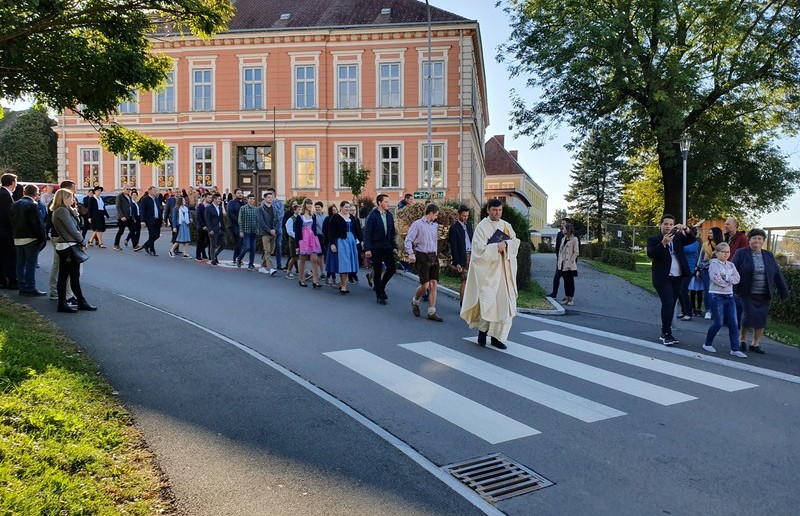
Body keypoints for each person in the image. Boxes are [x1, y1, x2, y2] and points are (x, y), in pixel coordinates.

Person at [460, 198, 520, 349]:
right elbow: (478, 250)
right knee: (489, 304)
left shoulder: (506, 226)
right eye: (494, 210)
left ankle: (497, 338)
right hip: (489, 274)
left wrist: (506, 244)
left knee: (505, 306)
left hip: (504, 273)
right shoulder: (482, 227)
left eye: (499, 210)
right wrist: (495, 247)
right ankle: (482, 333)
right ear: (488, 210)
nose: (497, 213)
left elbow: (515, 242)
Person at [732, 228, 790, 354]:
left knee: (761, 318)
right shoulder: (741, 253)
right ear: (749, 240)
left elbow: (777, 273)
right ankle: (742, 340)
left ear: (763, 241)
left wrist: (783, 291)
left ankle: (755, 344)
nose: (757, 241)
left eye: (760, 238)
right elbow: (732, 270)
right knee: (748, 316)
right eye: (754, 238)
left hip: (764, 293)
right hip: (747, 291)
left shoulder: (768, 255)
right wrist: (731, 287)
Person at [646, 214, 695, 346]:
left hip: (678, 275)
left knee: (672, 304)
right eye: (666, 224)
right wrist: (663, 243)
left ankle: (666, 331)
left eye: (671, 224)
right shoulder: (654, 239)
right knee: (668, 303)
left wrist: (685, 228)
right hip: (663, 277)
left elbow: (692, 239)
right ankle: (666, 333)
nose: (668, 227)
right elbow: (651, 254)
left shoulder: (677, 237)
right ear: (661, 225)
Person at [49, 188, 97, 313]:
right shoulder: (61, 210)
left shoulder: (64, 210)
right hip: (67, 246)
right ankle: (66, 303)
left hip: (67, 245)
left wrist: (75, 213)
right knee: (67, 276)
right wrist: (83, 241)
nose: (73, 199)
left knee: (70, 276)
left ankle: (78, 301)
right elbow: (72, 229)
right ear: (64, 198)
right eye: (70, 197)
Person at [702, 243, 746, 357]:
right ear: (717, 253)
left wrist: (726, 277)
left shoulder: (731, 265)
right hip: (716, 295)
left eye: (728, 252)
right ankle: (707, 343)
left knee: (734, 322)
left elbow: (737, 278)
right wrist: (728, 282)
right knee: (718, 322)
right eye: (723, 252)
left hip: (729, 296)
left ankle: (735, 348)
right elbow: (715, 278)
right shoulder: (713, 264)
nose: (726, 254)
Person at [405, 204, 444, 321]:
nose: (436, 217)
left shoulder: (435, 226)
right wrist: (411, 253)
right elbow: (408, 239)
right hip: (422, 255)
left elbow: (435, 242)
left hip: (433, 256)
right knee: (425, 285)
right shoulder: (417, 224)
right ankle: (415, 301)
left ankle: (432, 312)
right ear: (431, 213)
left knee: (434, 284)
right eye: (436, 215)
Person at [10, 184, 46, 295]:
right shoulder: (33, 205)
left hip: (18, 237)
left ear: (24, 192)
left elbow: (11, 221)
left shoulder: (15, 204)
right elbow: (37, 224)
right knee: (30, 264)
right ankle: (30, 287)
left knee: (20, 263)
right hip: (31, 238)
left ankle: (22, 286)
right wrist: (42, 238)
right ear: (36, 194)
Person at [46, 180, 77, 302]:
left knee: (62, 266)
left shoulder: (64, 204)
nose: (74, 191)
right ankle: (58, 292)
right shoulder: (59, 206)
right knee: (60, 265)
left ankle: (63, 292)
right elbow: (68, 226)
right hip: (61, 237)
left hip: (63, 237)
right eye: (73, 188)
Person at [363, 194, 397, 304]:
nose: (388, 203)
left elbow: (392, 232)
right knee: (377, 271)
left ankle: (381, 287)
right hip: (376, 247)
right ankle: (379, 295)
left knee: (392, 269)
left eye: (388, 201)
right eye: (386, 202)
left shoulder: (389, 215)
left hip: (387, 246)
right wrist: (367, 249)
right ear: (379, 202)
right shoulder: (372, 216)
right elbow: (367, 233)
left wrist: (394, 246)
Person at [328, 200, 359, 294]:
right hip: (341, 241)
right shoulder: (335, 217)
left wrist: (360, 240)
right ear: (341, 207)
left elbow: (357, 230)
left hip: (351, 241)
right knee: (344, 263)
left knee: (349, 263)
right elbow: (331, 232)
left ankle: (343, 284)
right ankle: (344, 286)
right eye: (346, 207)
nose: (348, 209)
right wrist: (332, 243)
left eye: (349, 207)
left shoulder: (352, 218)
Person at [294, 198, 323, 288]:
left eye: (311, 204)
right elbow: (297, 231)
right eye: (308, 204)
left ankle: (315, 281)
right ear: (304, 205)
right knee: (302, 259)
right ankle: (301, 279)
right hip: (303, 239)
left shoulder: (313, 216)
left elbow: (314, 228)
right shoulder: (300, 216)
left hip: (312, 238)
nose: (310, 205)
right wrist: (297, 245)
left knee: (315, 259)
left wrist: (315, 238)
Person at [448, 204, 473, 303]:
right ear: (458, 214)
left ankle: (469, 302)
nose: (465, 218)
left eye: (467, 216)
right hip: (462, 256)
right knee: (464, 279)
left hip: (471, 254)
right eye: (463, 216)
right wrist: (457, 262)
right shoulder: (454, 228)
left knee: (471, 280)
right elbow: (453, 246)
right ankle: (463, 303)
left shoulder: (469, 225)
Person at [698, 226, 724, 319]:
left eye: (711, 232)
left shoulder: (722, 245)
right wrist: (698, 268)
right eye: (709, 232)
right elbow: (701, 257)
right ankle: (708, 310)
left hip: (718, 270)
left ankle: (717, 310)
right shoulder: (705, 244)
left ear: (716, 234)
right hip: (706, 269)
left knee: (718, 290)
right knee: (707, 290)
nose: (709, 234)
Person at [0, 173, 19, 290]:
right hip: (5, 233)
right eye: (15, 182)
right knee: (9, 257)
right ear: (12, 183)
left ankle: (4, 280)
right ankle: (10, 281)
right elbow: (7, 215)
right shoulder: (4, 195)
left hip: (3, 232)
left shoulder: (3, 193)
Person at [677, 226, 700, 320]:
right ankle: (683, 311)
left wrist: (677, 243)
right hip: (681, 268)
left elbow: (685, 250)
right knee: (679, 291)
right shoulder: (684, 242)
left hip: (689, 269)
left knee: (683, 290)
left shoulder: (695, 243)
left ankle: (688, 313)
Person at [257, 191, 280, 275]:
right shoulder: (260, 209)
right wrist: (269, 230)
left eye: (271, 197)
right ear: (265, 198)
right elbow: (261, 222)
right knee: (267, 250)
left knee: (271, 251)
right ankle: (271, 269)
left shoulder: (274, 208)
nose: (270, 199)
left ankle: (262, 267)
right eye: (268, 197)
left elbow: (277, 220)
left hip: (273, 232)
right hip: (265, 233)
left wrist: (274, 229)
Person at [557, 222, 579, 306]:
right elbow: (560, 251)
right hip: (563, 263)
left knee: (570, 282)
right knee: (565, 282)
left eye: (563, 228)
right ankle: (566, 298)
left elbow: (576, 252)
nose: (562, 230)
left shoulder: (574, 239)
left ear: (568, 230)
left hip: (570, 264)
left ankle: (571, 299)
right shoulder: (563, 239)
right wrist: (560, 261)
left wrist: (571, 261)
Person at [548, 217, 570, 298]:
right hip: (560, 260)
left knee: (568, 279)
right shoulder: (559, 234)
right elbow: (557, 247)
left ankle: (568, 296)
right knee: (557, 277)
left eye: (563, 223)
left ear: (568, 224)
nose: (562, 225)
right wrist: (558, 257)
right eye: (561, 223)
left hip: (569, 261)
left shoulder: (573, 234)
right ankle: (554, 293)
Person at [237, 194, 259, 270]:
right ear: (247, 199)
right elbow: (240, 220)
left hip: (254, 231)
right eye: (250, 199)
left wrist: (257, 229)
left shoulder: (256, 209)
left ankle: (251, 264)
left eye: (253, 199)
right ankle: (239, 258)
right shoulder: (243, 208)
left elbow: (257, 220)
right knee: (247, 247)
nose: (252, 200)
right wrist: (241, 231)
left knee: (253, 248)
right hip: (246, 231)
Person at [138, 186, 161, 256]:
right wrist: (142, 221)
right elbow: (142, 210)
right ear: (149, 191)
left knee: (157, 235)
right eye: (154, 190)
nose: (155, 192)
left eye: (156, 190)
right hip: (150, 220)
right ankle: (152, 250)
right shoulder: (145, 199)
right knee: (152, 235)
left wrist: (162, 219)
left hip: (157, 220)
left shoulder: (156, 199)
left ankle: (146, 245)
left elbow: (158, 209)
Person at [283, 202, 301, 279]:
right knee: (293, 257)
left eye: (300, 209)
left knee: (300, 257)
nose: (299, 211)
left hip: (300, 240)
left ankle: (300, 271)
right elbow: (289, 231)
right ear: (294, 210)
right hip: (293, 241)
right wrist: (297, 236)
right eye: (298, 209)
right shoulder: (291, 219)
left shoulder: (301, 218)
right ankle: (288, 272)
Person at [205, 193, 224, 265]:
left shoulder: (220, 207)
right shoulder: (208, 208)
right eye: (218, 199)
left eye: (220, 199)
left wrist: (223, 228)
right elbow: (207, 219)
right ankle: (213, 260)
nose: (219, 200)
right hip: (213, 229)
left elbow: (221, 218)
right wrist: (210, 229)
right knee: (213, 244)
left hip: (220, 229)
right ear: (214, 199)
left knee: (224, 243)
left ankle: (215, 255)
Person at [323, 204, 339, 286]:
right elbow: (324, 230)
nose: (335, 211)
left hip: (337, 241)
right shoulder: (327, 219)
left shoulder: (338, 218)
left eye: (336, 210)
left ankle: (328, 277)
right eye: (333, 210)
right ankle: (333, 279)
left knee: (333, 261)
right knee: (331, 260)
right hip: (329, 242)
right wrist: (330, 239)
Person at [268, 188, 285, 270]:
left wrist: (274, 224)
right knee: (268, 246)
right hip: (269, 228)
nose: (269, 195)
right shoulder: (265, 203)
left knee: (278, 245)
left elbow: (281, 215)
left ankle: (279, 264)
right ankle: (266, 263)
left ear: (274, 193)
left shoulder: (279, 203)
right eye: (268, 193)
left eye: (270, 193)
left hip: (278, 227)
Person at [227, 189, 244, 264]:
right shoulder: (231, 203)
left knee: (240, 242)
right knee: (238, 241)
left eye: (241, 193)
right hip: (235, 225)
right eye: (238, 193)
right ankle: (237, 258)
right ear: (235, 194)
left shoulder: (244, 202)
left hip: (243, 226)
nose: (240, 194)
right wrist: (238, 221)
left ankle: (237, 258)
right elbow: (230, 213)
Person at [194, 192, 211, 260]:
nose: (210, 199)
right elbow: (198, 217)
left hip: (209, 226)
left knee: (209, 241)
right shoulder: (200, 206)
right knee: (201, 241)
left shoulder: (210, 206)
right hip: (201, 227)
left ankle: (209, 255)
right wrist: (203, 225)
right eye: (208, 198)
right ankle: (198, 255)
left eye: (210, 198)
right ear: (205, 198)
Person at [314, 201, 327, 278]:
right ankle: (321, 272)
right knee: (319, 255)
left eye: (318, 207)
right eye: (316, 207)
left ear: (322, 208)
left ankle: (321, 271)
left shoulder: (325, 216)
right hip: (317, 237)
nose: (317, 209)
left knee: (322, 255)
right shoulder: (314, 216)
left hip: (324, 237)